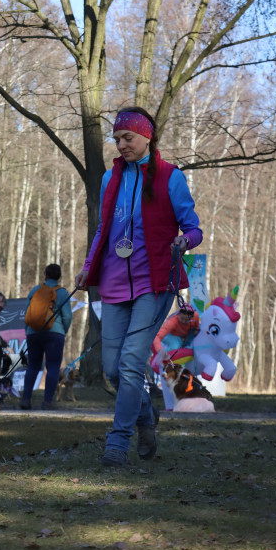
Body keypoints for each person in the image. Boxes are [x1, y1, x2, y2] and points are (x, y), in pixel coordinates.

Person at [75, 106, 202, 467]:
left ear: (147, 136)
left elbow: (193, 228)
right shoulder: (109, 179)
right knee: (113, 368)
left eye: (127, 137)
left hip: (154, 284)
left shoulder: (170, 177)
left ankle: (117, 441)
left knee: (131, 362)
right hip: (113, 284)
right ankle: (146, 418)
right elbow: (103, 229)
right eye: (116, 139)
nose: (120, 144)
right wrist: (88, 268)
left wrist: (184, 242)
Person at [20, 263, 73, 411]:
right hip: (55, 334)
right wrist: (63, 330)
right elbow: (67, 316)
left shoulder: (35, 290)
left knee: (33, 366)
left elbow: (27, 313)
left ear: (45, 275)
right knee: (53, 367)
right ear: (59, 277)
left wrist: (28, 332)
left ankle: (26, 399)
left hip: (33, 333)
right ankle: (48, 402)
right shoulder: (62, 293)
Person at [150, 305, 201, 411]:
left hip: (186, 338)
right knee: (175, 346)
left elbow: (197, 327)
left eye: (186, 320)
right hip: (171, 337)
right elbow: (157, 337)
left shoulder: (195, 317)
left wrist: (197, 331)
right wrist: (160, 351)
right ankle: (167, 364)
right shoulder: (172, 322)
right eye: (181, 318)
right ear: (179, 314)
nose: (183, 321)